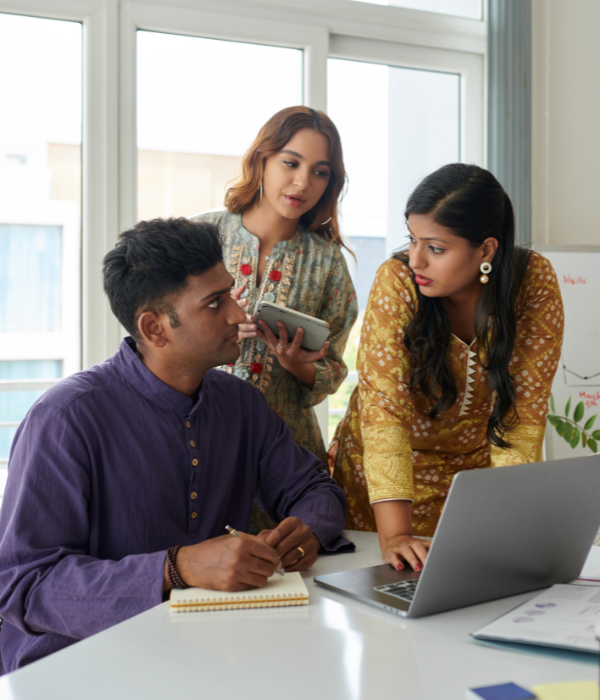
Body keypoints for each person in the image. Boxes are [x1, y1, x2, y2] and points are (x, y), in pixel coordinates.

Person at [0, 217, 352, 673]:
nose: (239, 315)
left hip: (205, 653)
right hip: (74, 667)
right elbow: (26, 585)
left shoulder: (240, 403)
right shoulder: (65, 418)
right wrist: (177, 567)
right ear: (154, 328)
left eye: (230, 294)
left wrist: (306, 530)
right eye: (214, 303)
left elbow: (315, 489)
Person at [329, 163, 563, 572]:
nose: (415, 260)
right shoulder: (397, 281)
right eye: (411, 239)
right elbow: (384, 414)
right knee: (386, 591)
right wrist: (395, 536)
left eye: (435, 248)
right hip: (384, 491)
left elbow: (522, 416)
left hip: (471, 486)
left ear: (486, 250)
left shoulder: (533, 282)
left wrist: (508, 525)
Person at [192, 106, 357, 473]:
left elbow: (333, 369)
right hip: (200, 442)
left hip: (289, 453)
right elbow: (157, 336)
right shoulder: (201, 235)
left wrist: (297, 364)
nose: (303, 182)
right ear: (261, 159)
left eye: (320, 172)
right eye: (291, 163)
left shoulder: (328, 261)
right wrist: (213, 324)